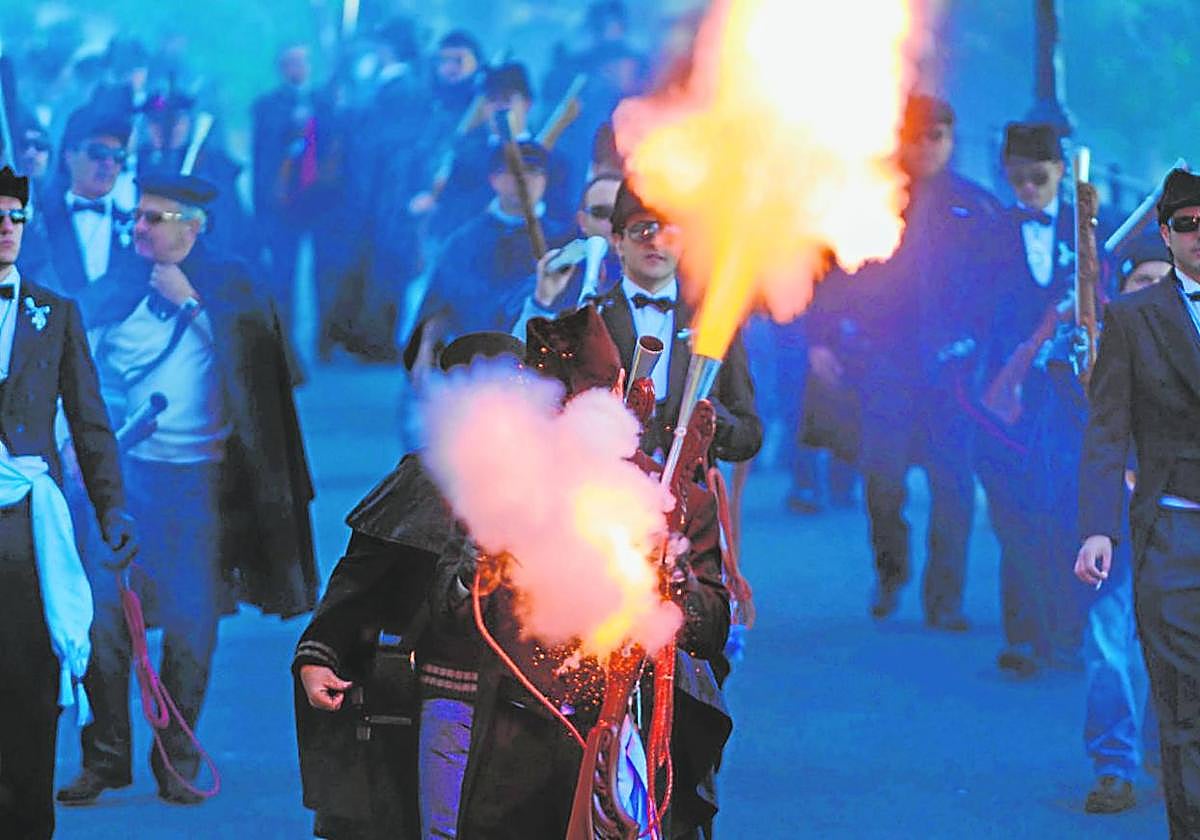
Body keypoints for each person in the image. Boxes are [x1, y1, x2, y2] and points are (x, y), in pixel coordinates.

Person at [56, 173, 317, 807]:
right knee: (107, 626)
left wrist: (192, 306)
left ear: (192, 227)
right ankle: (106, 758)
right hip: (126, 484)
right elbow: (76, 371)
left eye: (155, 219)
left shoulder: (233, 285)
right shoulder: (114, 287)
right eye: (137, 218)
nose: (139, 228)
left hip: (205, 489)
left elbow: (265, 373)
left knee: (193, 628)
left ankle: (176, 757)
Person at [447, 306, 731, 838]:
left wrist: (673, 589)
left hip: (637, 739)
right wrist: (473, 571)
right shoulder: (500, 495)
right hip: (519, 747)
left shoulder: (673, 498)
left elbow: (711, 626)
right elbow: (454, 614)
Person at [294, 330, 524, 840]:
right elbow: (357, 584)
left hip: (532, 712)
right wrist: (319, 656)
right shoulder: (421, 480)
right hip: (447, 700)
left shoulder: (566, 482)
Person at [807, 94, 1005, 628]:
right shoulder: (866, 197)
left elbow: (998, 290)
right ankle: (891, 573)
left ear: (951, 139)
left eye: (937, 136)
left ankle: (946, 599)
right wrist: (820, 338)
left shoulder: (976, 206)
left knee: (954, 488)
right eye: (918, 136)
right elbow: (827, 275)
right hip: (885, 364)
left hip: (952, 370)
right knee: (883, 481)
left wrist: (985, 355)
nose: (927, 147)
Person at [0, 165, 137, 838]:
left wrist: (114, 507)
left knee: (31, 676)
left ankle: (28, 821)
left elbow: (89, 421)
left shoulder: (53, 313)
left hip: (30, 529)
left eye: (16, 218)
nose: (6, 229)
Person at [1076, 167, 1200, 836]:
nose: (1199, 236)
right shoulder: (1132, 319)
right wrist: (1098, 527)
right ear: (1166, 231)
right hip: (1173, 532)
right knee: (1182, 706)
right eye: (1187, 224)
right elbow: (1106, 432)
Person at [976, 122, 1075, 675]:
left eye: (1039, 178)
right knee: (1013, 517)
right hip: (1002, 399)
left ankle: (1063, 630)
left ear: (1061, 171)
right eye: (1017, 179)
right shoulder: (988, 232)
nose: (1028, 190)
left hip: (1067, 397)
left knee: (1061, 514)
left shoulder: (1090, 232)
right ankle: (1021, 635)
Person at [1075, 236, 1168, 814]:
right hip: (1113, 521)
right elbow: (1096, 438)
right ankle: (1114, 764)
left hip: (1180, 517)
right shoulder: (1096, 344)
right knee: (1110, 647)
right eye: (1142, 281)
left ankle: (1170, 752)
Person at [593, 180, 762, 465]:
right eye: (641, 230)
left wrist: (711, 418)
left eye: (669, 232)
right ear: (618, 241)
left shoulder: (713, 321)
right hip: (609, 489)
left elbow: (749, 435)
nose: (656, 242)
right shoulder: (593, 319)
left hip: (689, 497)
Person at [412, 140, 574, 370]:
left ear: (545, 180)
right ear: (494, 179)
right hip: (472, 368)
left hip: (541, 371)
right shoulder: (464, 242)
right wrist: (424, 355)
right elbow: (438, 308)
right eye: (514, 171)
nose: (523, 179)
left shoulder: (563, 241)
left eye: (533, 172)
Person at [40, 103, 140, 297]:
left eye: (118, 156)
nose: (109, 164)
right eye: (98, 153)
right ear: (69, 156)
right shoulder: (38, 220)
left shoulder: (136, 227)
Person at [511, 173, 624, 337]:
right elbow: (516, 354)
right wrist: (542, 301)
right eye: (601, 212)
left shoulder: (657, 275)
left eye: (621, 211)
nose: (613, 221)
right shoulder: (560, 272)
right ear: (583, 221)